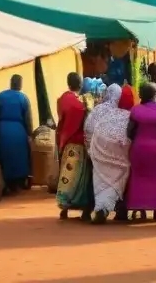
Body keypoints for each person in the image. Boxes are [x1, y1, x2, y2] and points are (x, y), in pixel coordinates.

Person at [126, 82, 156, 221]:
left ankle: (141, 211)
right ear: (155, 94)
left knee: (139, 179)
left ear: (141, 95)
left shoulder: (136, 110)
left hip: (140, 149)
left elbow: (129, 132)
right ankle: (155, 213)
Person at [84, 83, 132, 223]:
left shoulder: (98, 110)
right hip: (116, 153)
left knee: (99, 181)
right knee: (116, 180)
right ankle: (111, 209)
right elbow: (126, 137)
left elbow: (88, 128)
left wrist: (89, 149)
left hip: (96, 151)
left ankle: (99, 208)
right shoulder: (122, 114)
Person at [0, 74, 34, 196]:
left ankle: (5, 184)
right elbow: (28, 119)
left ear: (11, 83)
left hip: (3, 130)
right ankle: (17, 184)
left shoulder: (1, 96)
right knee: (20, 157)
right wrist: (30, 133)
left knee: (4, 157)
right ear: (20, 84)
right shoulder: (23, 98)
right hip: (18, 131)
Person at [54, 72, 92, 219]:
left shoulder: (63, 99)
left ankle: (64, 207)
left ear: (68, 83)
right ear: (80, 85)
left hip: (67, 143)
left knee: (66, 176)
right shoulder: (83, 102)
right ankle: (84, 208)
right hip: (80, 144)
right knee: (82, 178)